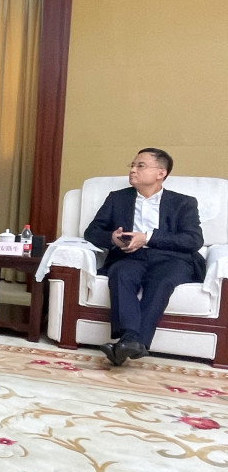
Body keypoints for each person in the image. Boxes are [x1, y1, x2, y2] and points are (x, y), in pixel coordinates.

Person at [84, 148, 204, 366]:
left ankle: (129, 341)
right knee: (120, 273)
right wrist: (113, 238)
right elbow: (92, 232)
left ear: (161, 173)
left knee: (162, 281)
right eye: (132, 165)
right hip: (129, 256)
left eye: (140, 165)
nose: (133, 170)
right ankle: (132, 342)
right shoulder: (117, 198)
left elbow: (193, 240)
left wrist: (147, 237)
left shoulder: (184, 203)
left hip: (171, 259)